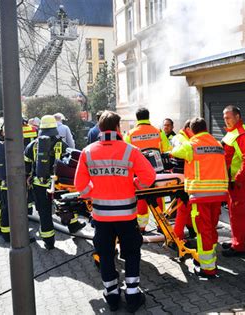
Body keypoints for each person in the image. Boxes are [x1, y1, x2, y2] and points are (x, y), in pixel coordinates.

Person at [74, 111, 156, 312]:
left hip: (101, 216)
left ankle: (111, 295)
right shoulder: (130, 150)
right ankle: (133, 295)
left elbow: (80, 187)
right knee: (131, 253)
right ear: (118, 128)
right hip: (127, 216)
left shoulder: (88, 152)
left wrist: (93, 193)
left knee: (106, 254)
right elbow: (149, 177)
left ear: (100, 128)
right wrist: (135, 183)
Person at [172, 117, 228, 278]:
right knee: (211, 228)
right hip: (218, 194)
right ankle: (211, 259)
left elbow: (175, 151)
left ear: (192, 130)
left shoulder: (191, 145)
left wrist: (177, 141)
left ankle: (208, 268)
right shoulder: (217, 144)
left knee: (203, 231)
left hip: (201, 195)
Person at [25, 115, 85, 249]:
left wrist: (28, 177)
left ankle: (48, 240)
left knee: (44, 212)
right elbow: (69, 162)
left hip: (39, 184)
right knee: (67, 205)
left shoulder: (33, 145)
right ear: (54, 129)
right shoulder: (61, 145)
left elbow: (27, 163)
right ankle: (73, 225)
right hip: (58, 184)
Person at [124, 108, 171, 231]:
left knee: (141, 198)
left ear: (137, 118)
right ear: (148, 117)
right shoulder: (158, 131)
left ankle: (141, 227)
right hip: (157, 172)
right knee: (158, 197)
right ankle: (161, 224)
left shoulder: (130, 134)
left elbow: (125, 153)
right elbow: (167, 149)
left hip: (139, 173)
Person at [221, 105, 245, 257]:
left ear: (237, 117)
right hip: (233, 181)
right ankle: (236, 240)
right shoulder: (234, 132)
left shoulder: (241, 134)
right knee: (234, 214)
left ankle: (239, 246)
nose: (226, 120)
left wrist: (239, 179)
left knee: (238, 214)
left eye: (228, 117)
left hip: (238, 182)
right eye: (224, 118)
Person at [170, 120, 196, 241]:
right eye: (193, 130)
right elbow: (186, 153)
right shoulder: (181, 139)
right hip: (182, 177)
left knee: (187, 206)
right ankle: (177, 236)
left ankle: (191, 229)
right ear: (187, 128)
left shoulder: (181, 137)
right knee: (184, 207)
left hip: (182, 176)